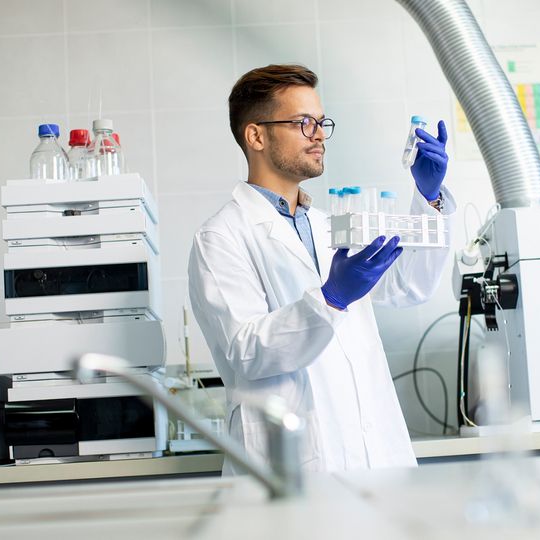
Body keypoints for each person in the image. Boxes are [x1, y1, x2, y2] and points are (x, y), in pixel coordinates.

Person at [187, 64, 455, 473]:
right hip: (292, 468)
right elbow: (246, 353)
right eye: (303, 122)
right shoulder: (221, 237)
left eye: (320, 122)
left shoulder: (333, 226)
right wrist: (330, 299)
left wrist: (428, 197)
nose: (318, 134)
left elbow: (409, 287)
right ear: (256, 135)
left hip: (374, 460)